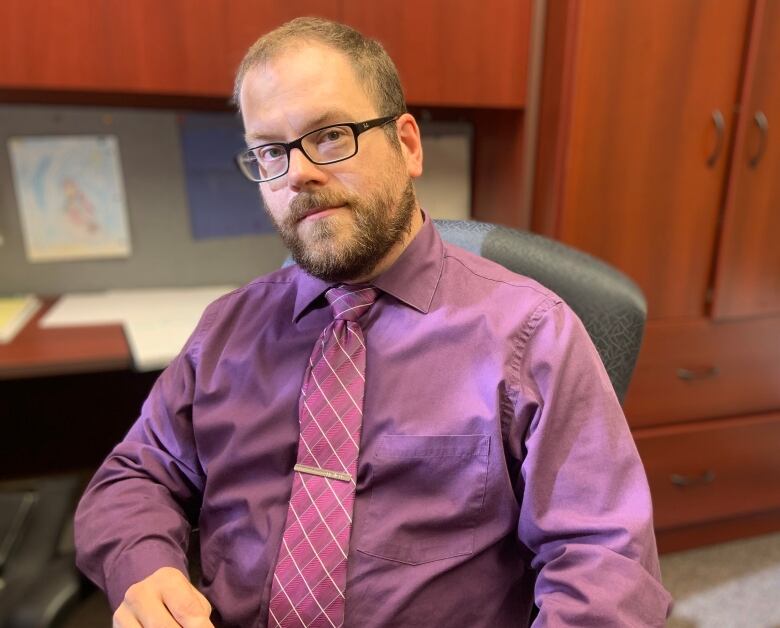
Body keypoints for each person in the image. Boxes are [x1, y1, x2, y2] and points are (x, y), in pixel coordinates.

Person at [75, 17, 672, 628]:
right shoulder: (227, 329)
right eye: (271, 151)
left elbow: (606, 564)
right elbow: (132, 476)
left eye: (330, 135)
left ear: (408, 145)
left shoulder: (532, 335)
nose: (299, 173)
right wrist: (146, 568)